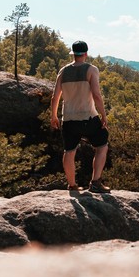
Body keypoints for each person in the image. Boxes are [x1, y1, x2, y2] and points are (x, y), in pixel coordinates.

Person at [50, 40, 111, 193]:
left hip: (68, 119)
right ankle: (95, 182)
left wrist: (54, 116)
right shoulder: (91, 69)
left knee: (69, 151)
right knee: (102, 145)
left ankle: (72, 185)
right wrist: (103, 115)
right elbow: (97, 95)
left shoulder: (63, 71)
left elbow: (55, 97)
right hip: (88, 117)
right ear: (85, 54)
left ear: (73, 54)